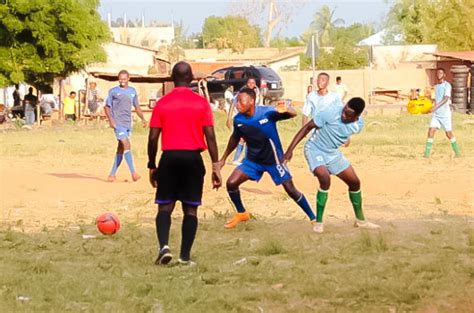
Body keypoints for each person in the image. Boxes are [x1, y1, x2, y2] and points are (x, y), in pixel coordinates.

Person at [147, 61, 222, 265]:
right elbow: (211, 136)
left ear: (172, 79)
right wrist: (216, 166)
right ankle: (184, 257)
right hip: (192, 159)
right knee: (191, 209)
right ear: (191, 79)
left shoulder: (162, 103)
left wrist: (152, 165)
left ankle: (164, 246)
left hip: (169, 158)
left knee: (164, 207)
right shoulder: (201, 103)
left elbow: (153, 137)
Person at [219, 88, 317, 229]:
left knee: (291, 190)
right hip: (253, 161)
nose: (238, 104)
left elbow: (293, 114)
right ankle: (242, 213)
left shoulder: (266, 112)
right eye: (237, 101)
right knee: (231, 183)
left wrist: (287, 109)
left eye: (241, 101)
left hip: (274, 160)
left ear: (252, 101)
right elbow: (234, 138)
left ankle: (313, 218)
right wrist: (223, 158)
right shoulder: (238, 119)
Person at [283, 97, 380, 233]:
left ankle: (360, 221)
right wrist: (289, 151)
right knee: (324, 177)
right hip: (314, 149)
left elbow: (343, 133)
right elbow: (306, 128)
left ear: (356, 116)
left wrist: (344, 140)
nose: (343, 115)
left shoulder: (358, 125)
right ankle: (319, 222)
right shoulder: (331, 112)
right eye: (344, 110)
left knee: (355, 182)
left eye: (348, 114)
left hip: (333, 154)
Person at [104, 69, 147, 182]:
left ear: (128, 79)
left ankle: (112, 174)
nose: (122, 81)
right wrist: (111, 120)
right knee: (126, 143)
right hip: (118, 123)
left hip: (128, 123)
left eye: (124, 79)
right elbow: (107, 107)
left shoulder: (132, 91)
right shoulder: (113, 91)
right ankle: (133, 173)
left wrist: (142, 118)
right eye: (120, 79)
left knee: (121, 148)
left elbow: (136, 106)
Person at [424, 68, 461, 158]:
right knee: (431, 131)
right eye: (437, 73)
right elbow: (435, 99)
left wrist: (435, 107)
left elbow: (446, 98)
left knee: (448, 133)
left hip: (445, 114)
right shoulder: (436, 87)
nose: (439, 74)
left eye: (441, 73)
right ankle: (426, 154)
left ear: (444, 75)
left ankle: (458, 153)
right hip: (436, 114)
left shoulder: (447, 85)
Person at [226, 77, 261, 165]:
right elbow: (233, 104)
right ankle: (237, 159)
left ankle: (245, 159)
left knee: (249, 139)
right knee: (242, 138)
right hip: (243, 118)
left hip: (253, 119)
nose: (251, 85)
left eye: (253, 83)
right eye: (249, 83)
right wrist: (229, 117)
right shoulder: (241, 93)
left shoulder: (258, 94)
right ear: (246, 84)